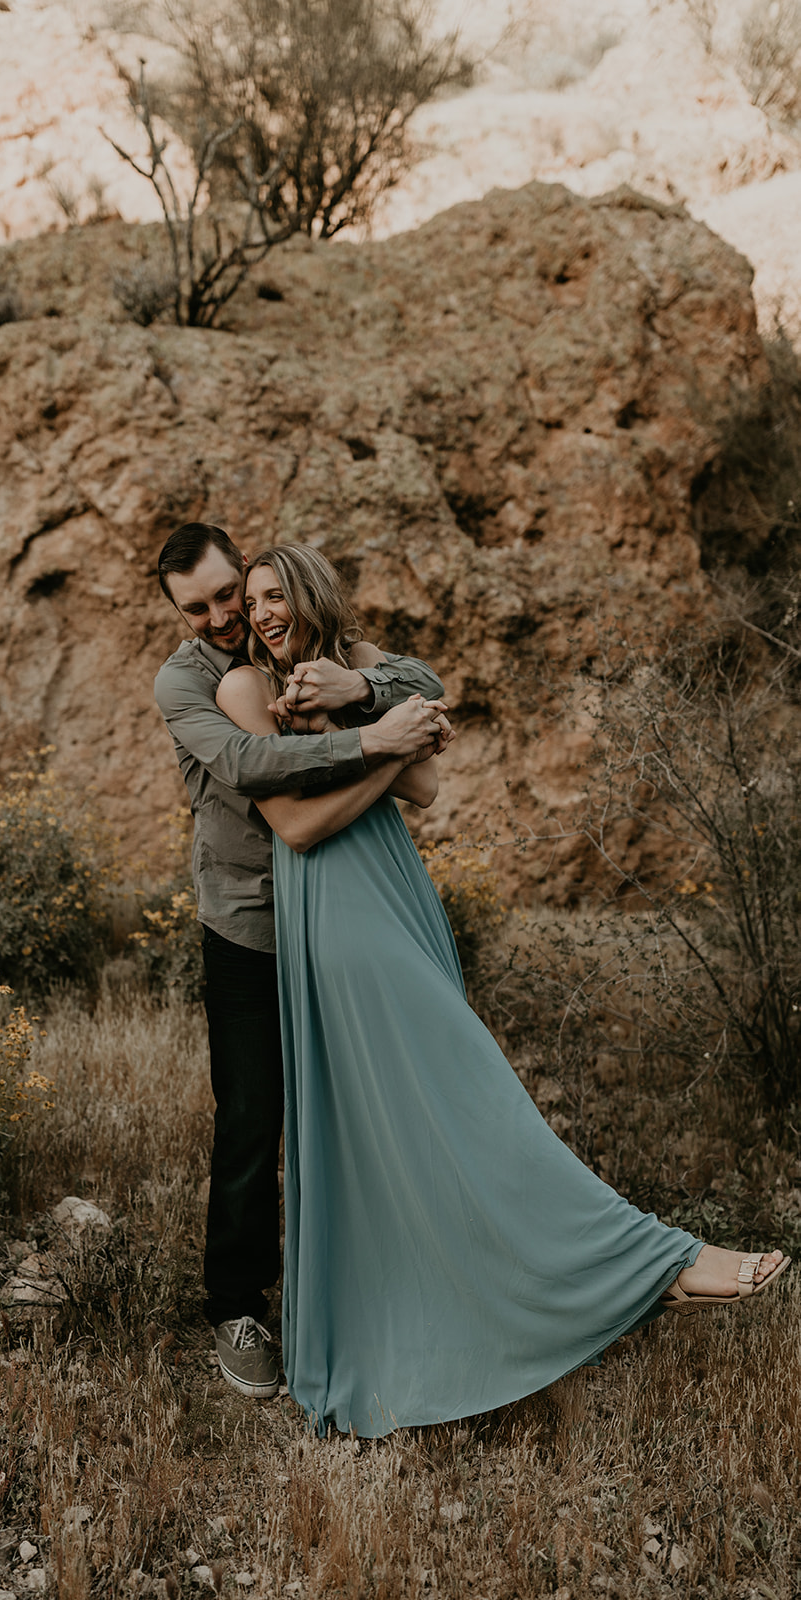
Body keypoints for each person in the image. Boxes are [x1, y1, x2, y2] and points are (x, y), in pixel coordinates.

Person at [214, 542, 791, 1438]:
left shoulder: (364, 666)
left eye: (274, 592)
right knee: (471, 1099)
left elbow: (431, 784)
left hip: (398, 891)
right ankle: (660, 1262)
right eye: (250, 600)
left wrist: (370, 713)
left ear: (310, 592)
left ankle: (459, 1312)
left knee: (422, 1116)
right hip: (333, 912)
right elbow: (296, 827)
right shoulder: (246, 691)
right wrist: (385, 742)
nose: (261, 612)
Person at [153, 522, 451, 1399]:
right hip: (250, 924)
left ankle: (382, 1281)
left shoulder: (304, 649)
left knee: (357, 1107)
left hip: (342, 918)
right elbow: (250, 763)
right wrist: (375, 741)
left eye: (228, 596)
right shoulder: (187, 681)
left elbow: (421, 683)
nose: (221, 617)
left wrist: (362, 688)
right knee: (252, 1117)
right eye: (199, 607)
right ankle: (236, 1305)